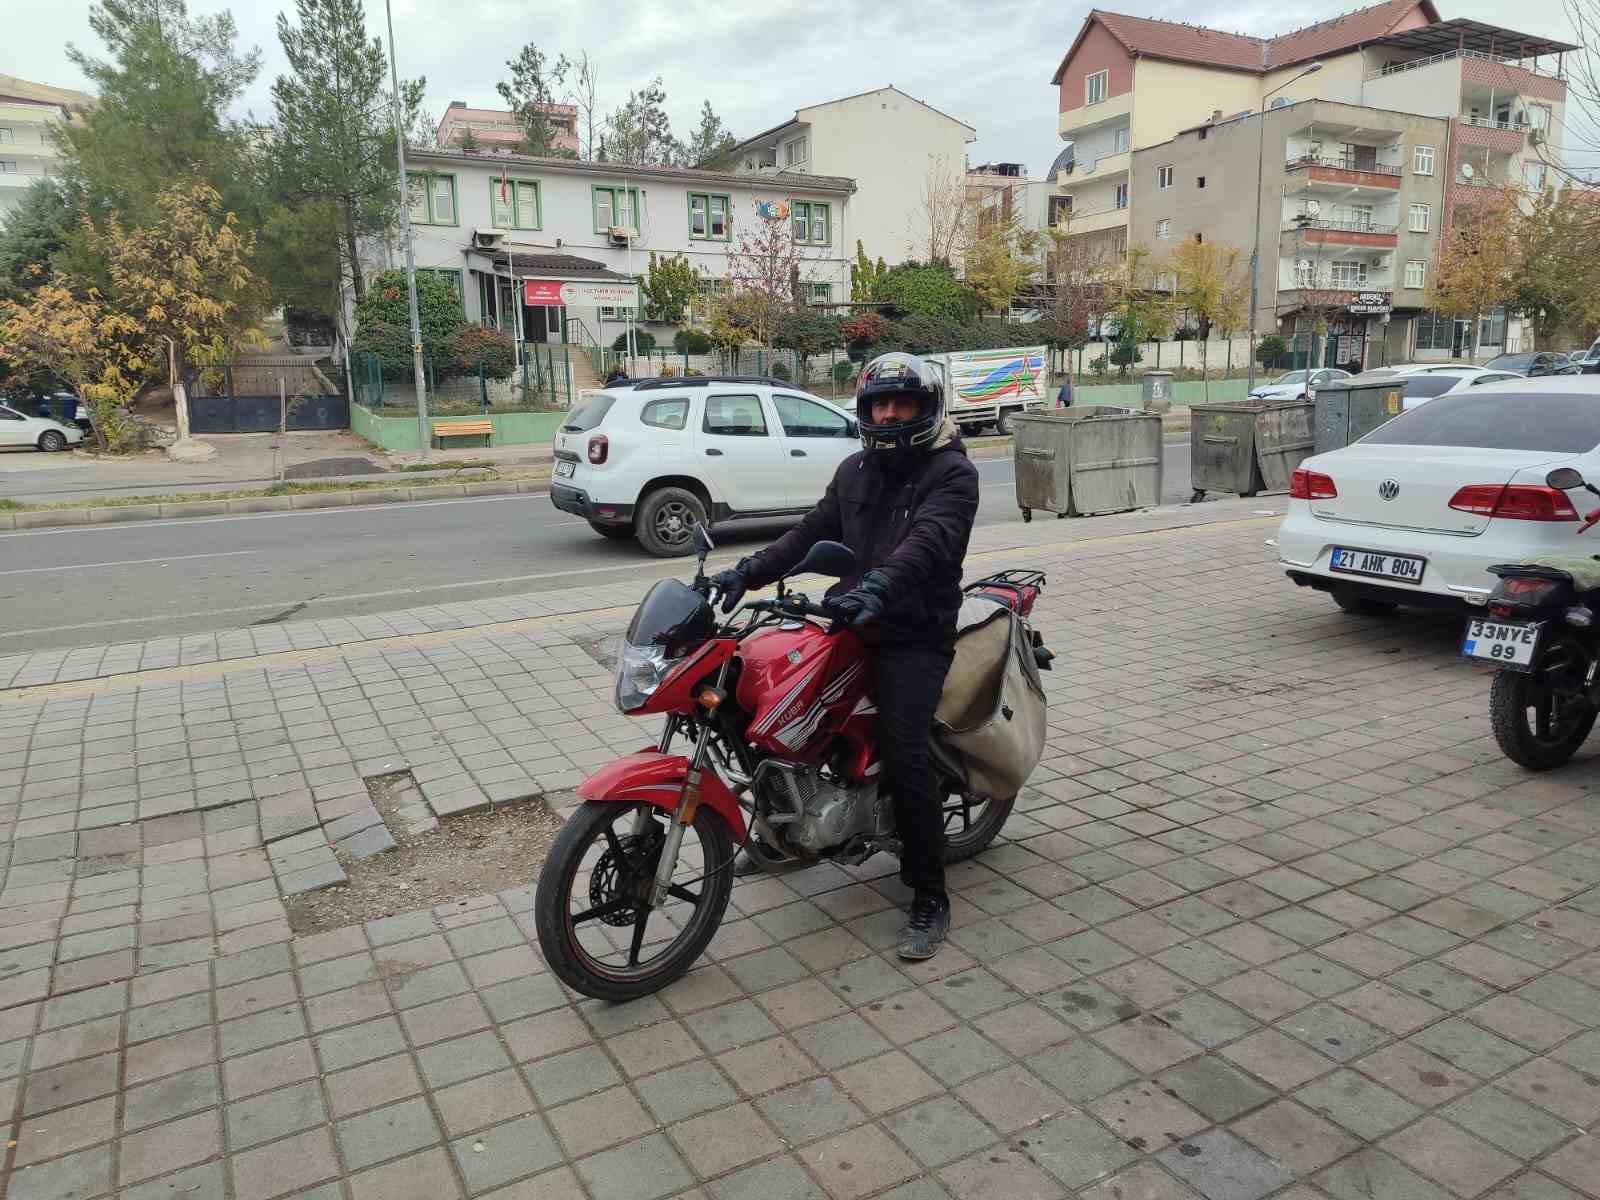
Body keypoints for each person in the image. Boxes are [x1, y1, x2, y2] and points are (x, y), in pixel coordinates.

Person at [709, 353, 980, 960]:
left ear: (926, 409)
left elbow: (928, 542)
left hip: (913, 630)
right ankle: (781, 831)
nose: (890, 414)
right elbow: (809, 532)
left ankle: (929, 894)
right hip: (850, 618)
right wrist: (746, 573)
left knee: (905, 752)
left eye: (903, 404)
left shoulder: (952, 474)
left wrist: (881, 585)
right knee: (764, 709)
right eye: (880, 404)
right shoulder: (854, 469)